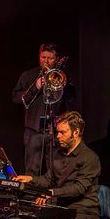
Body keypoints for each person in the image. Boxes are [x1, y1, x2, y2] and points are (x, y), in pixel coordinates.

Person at [11, 43, 76, 176]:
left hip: (55, 130)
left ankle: (52, 197)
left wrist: (64, 83)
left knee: (56, 170)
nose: (46, 61)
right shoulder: (28, 75)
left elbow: (71, 99)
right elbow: (16, 98)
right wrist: (35, 86)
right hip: (33, 130)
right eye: (43, 57)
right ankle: (31, 196)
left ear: (57, 59)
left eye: (50, 58)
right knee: (32, 170)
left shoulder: (62, 76)